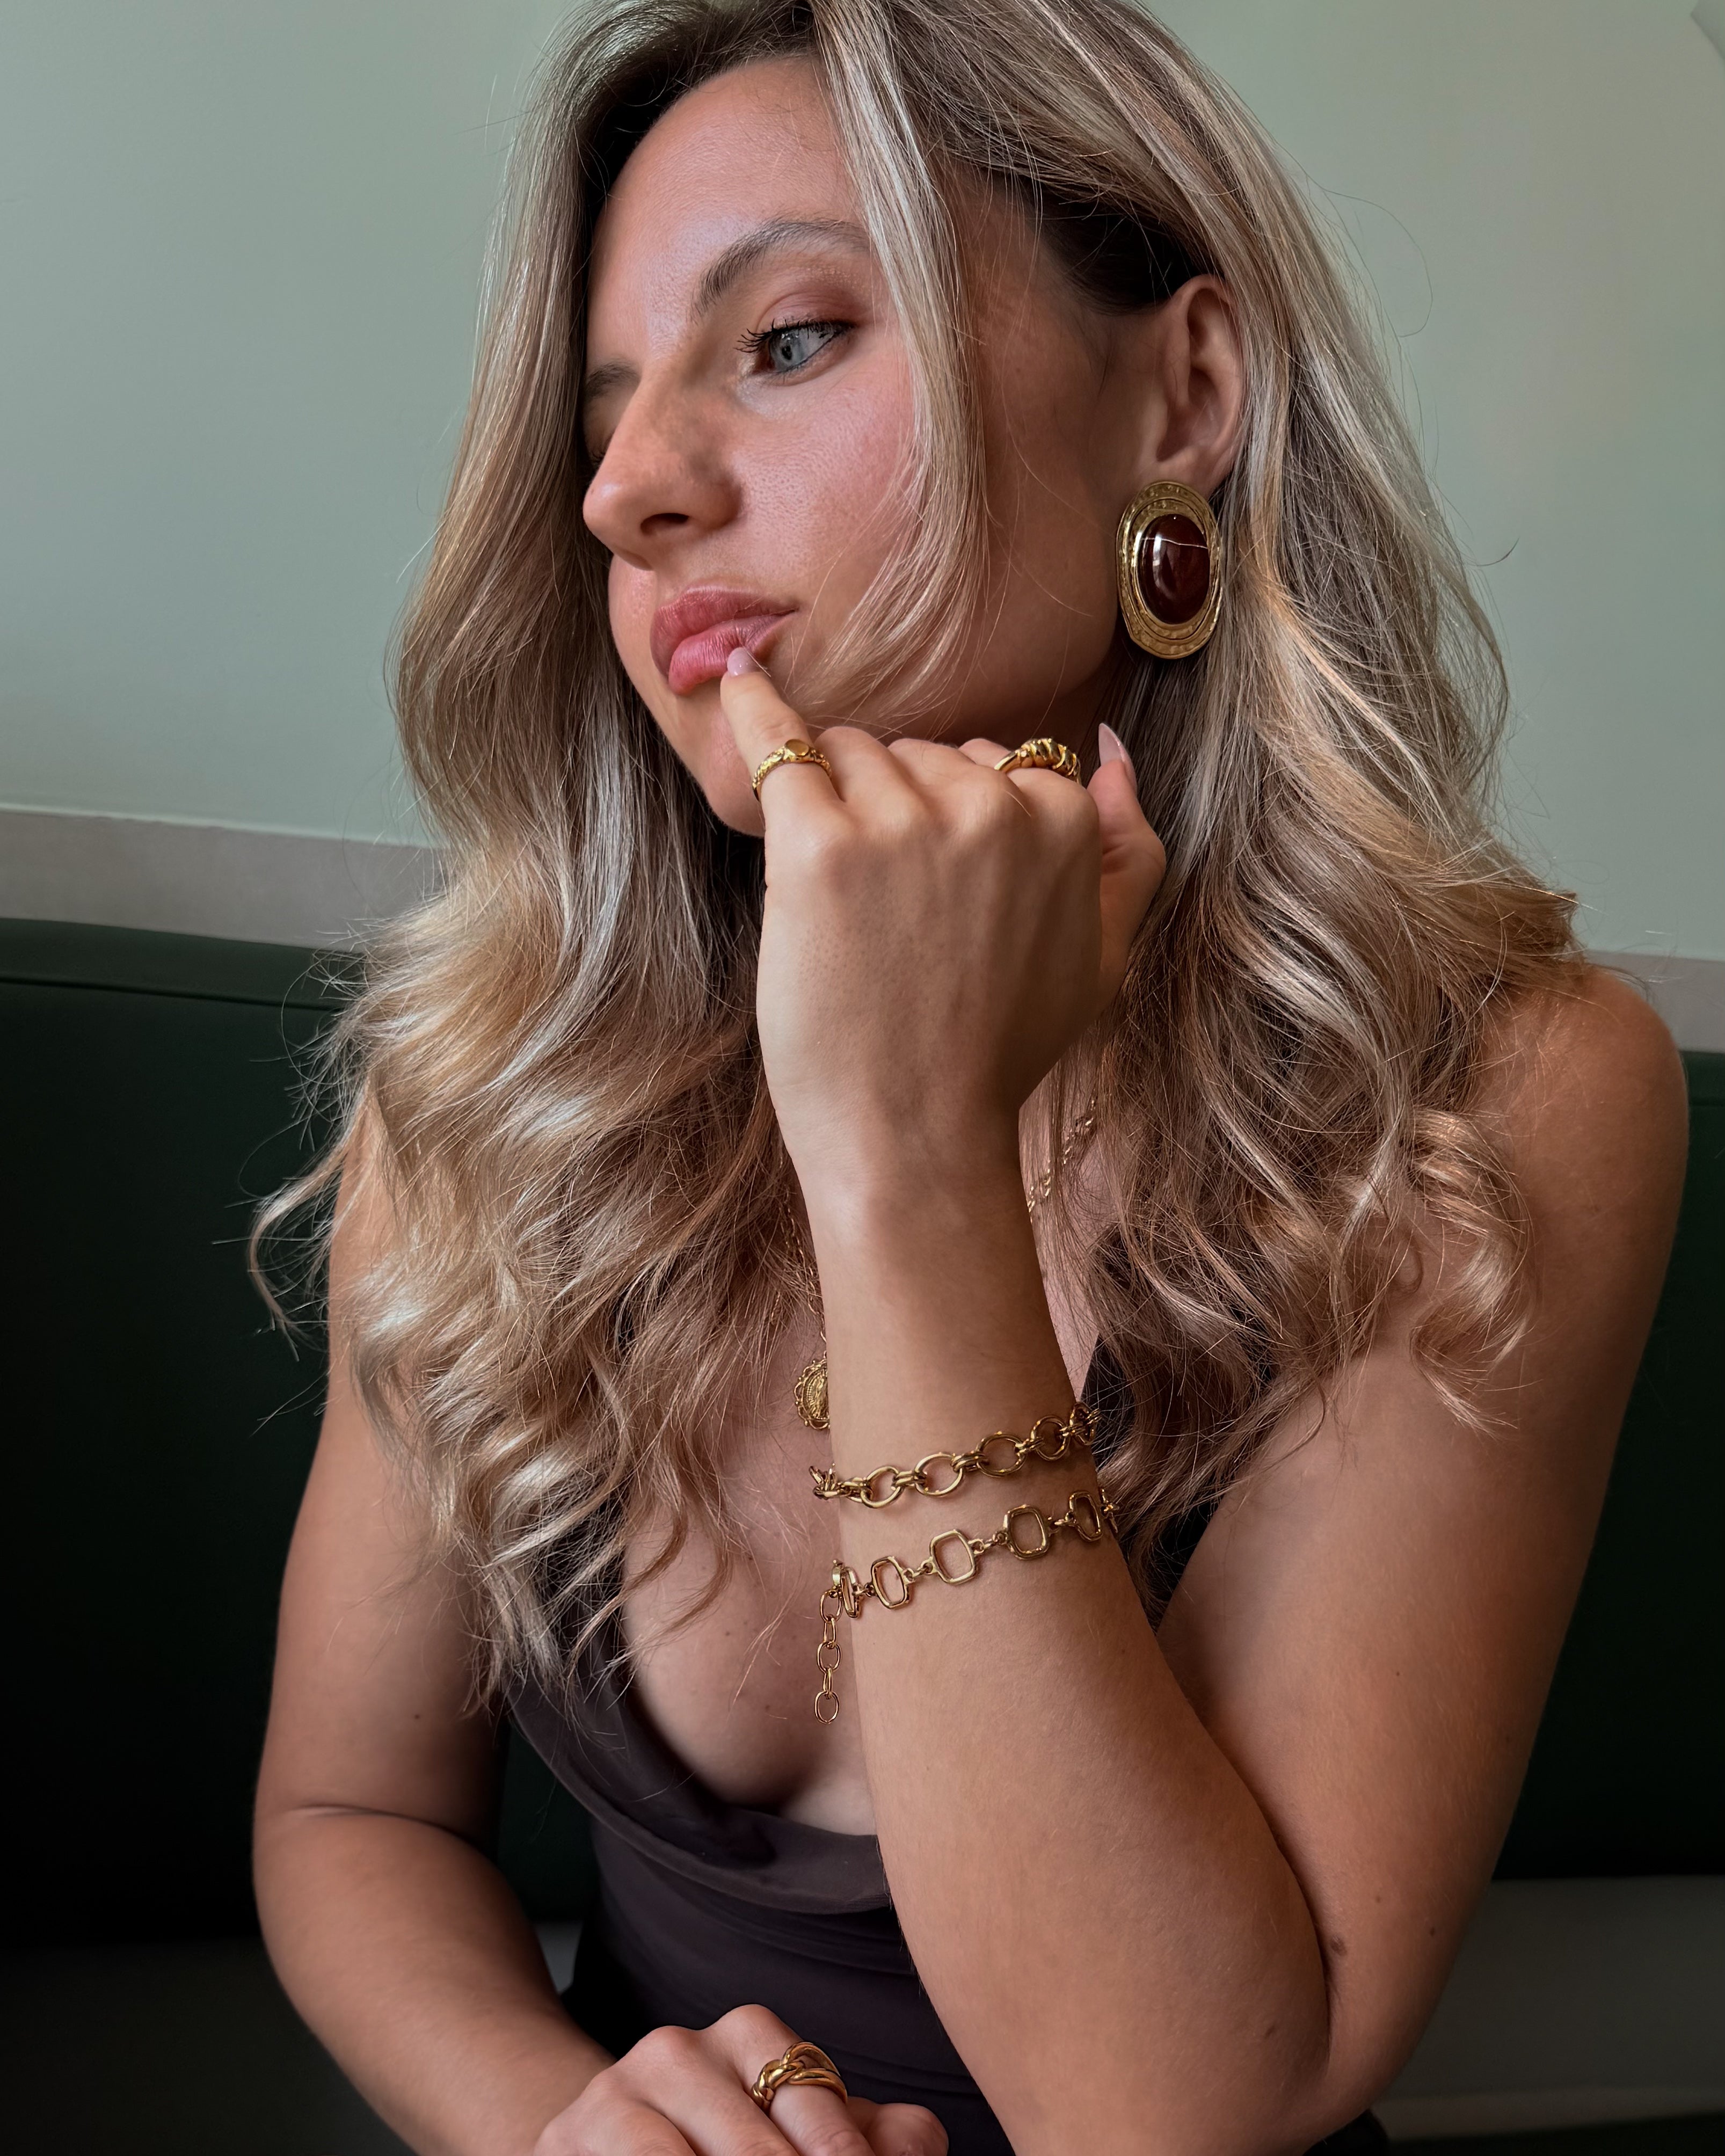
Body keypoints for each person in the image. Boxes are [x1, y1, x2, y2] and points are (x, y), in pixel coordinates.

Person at [251, 3, 1688, 2152]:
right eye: (606, 418)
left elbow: (1169, 2101)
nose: (630, 492)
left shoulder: (1499, 1097)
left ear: (1181, 395)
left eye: (790, 339)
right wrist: (563, 2125)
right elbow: (349, 1810)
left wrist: (904, 1157)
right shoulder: (503, 1071)